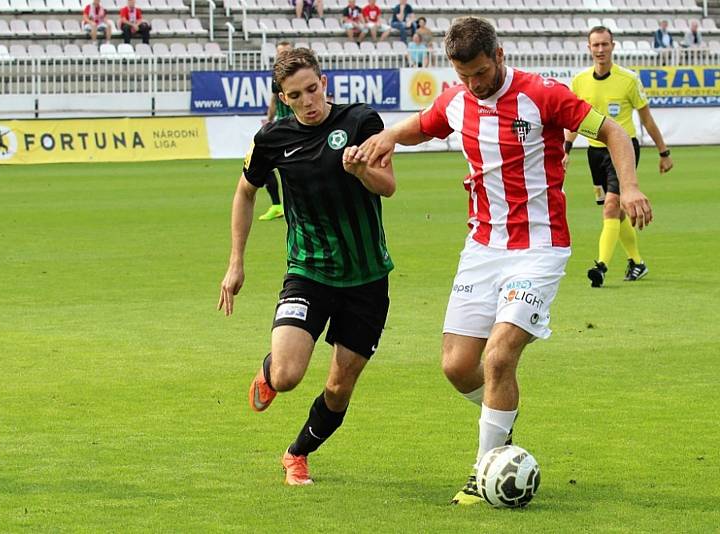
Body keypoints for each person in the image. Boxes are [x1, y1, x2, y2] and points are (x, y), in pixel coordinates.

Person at [351, 17, 652, 505]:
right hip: (482, 247)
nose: (474, 85)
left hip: (539, 248)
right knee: (456, 366)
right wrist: (384, 139)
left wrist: (632, 185)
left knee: (498, 356)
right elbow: (423, 126)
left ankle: (483, 469)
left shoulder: (544, 95)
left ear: (501, 54)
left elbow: (615, 133)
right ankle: (501, 422)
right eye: (464, 76)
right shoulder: (456, 100)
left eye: (481, 74)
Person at [218, 47, 396, 486]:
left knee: (338, 388)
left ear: (325, 81)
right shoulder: (271, 139)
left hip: (367, 278)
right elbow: (245, 192)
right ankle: (270, 367)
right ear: (282, 97)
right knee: (286, 375)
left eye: (312, 89)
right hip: (308, 271)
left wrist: (361, 172)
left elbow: (387, 186)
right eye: (295, 96)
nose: (308, 102)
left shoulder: (361, 122)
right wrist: (235, 263)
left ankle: (297, 453)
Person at [565, 26, 672, 287]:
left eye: (605, 44)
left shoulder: (628, 79)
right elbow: (573, 121)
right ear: (588, 48)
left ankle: (600, 267)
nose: (600, 50)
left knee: (612, 205)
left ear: (613, 46)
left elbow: (646, 118)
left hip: (623, 150)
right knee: (617, 210)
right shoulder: (579, 81)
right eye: (596, 45)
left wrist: (663, 151)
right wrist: (565, 149)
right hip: (595, 152)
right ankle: (637, 262)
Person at [258, 40, 294, 222]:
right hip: (281, 126)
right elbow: (274, 99)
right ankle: (277, 205)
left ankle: (285, 205)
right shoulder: (277, 75)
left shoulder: (297, 74)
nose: (282, 55)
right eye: (280, 53)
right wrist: (269, 120)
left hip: (295, 126)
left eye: (286, 52)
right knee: (264, 164)